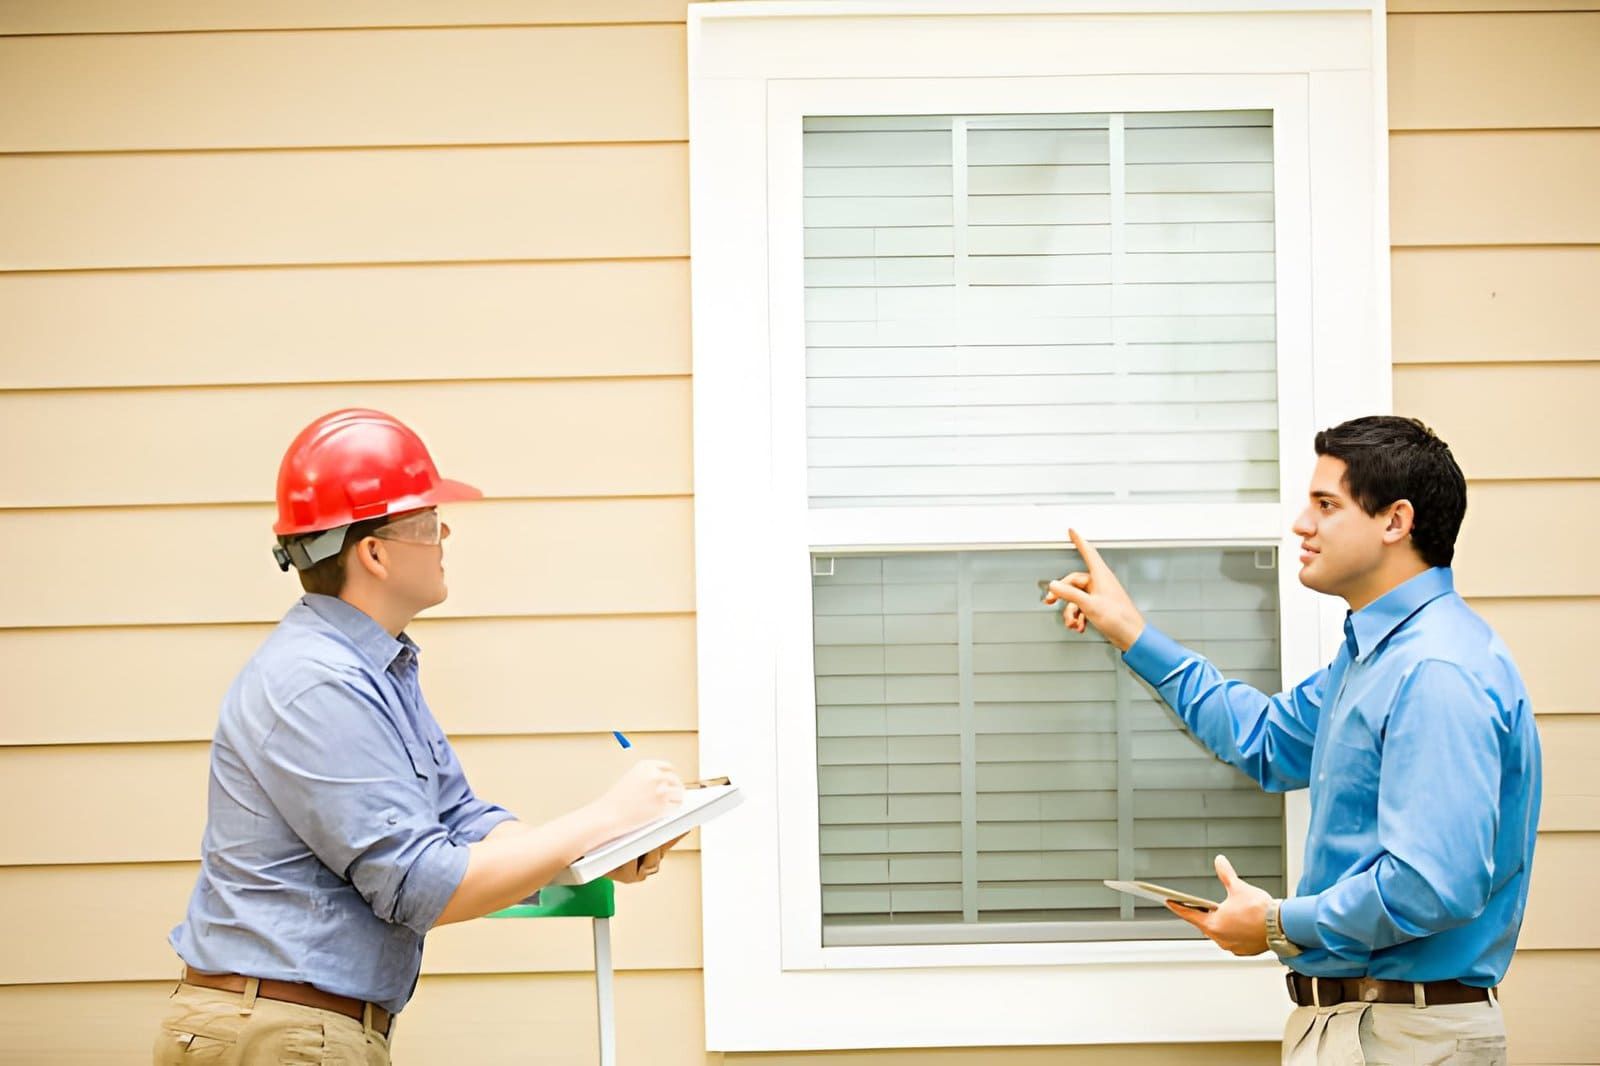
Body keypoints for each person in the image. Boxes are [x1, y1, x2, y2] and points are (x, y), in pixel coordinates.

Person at [155, 409, 685, 1065]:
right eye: (429, 522)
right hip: (281, 1035)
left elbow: (463, 820)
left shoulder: (375, 670)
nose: (446, 536)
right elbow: (417, 884)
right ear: (373, 552)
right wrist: (599, 817)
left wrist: (601, 844)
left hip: (302, 1029)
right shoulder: (320, 686)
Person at [1045, 416, 1540, 1065]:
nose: (1301, 524)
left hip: (1407, 1039)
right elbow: (1265, 738)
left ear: (1395, 522)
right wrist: (1132, 630)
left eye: (1326, 505)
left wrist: (1277, 924)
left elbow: (1432, 887)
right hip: (1356, 1026)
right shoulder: (1372, 658)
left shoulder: (1435, 673)